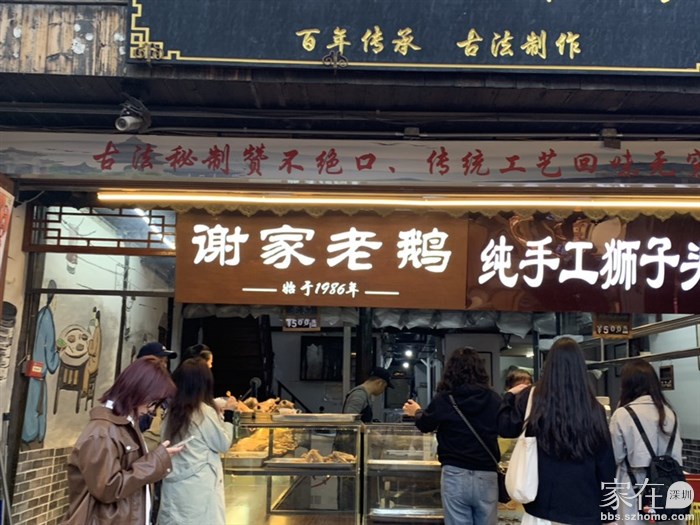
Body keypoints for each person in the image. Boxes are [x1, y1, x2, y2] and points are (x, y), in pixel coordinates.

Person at [498, 337, 616, 525]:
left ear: (549, 366)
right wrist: (610, 512)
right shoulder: (595, 409)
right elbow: (605, 465)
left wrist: (508, 396)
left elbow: (505, 428)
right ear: (580, 368)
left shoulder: (532, 399)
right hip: (584, 509)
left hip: (542, 510)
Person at [63, 356, 182, 525]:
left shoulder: (123, 426)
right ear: (139, 391)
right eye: (153, 402)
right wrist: (155, 462)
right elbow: (108, 488)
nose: (152, 410)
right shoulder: (103, 432)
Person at [402, 346, 503, 525]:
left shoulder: (445, 399)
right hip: (486, 474)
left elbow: (425, 425)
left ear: (450, 371)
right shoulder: (493, 398)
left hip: (455, 473)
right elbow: (505, 428)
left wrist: (416, 412)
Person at [157, 357, 235, 525]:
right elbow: (223, 444)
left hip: (174, 484)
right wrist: (229, 415)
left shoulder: (171, 411)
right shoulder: (203, 412)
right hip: (199, 487)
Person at [609, 359, 684, 524]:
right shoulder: (670, 413)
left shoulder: (622, 415)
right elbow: (677, 458)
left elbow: (614, 457)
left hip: (635, 492)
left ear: (627, 385)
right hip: (669, 491)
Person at [21, 280, 60, 449]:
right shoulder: (48, 318)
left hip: (32, 369)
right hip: (39, 372)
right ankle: (32, 437)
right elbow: (51, 360)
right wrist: (59, 353)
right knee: (36, 408)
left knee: (29, 405)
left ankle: (27, 436)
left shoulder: (40, 314)